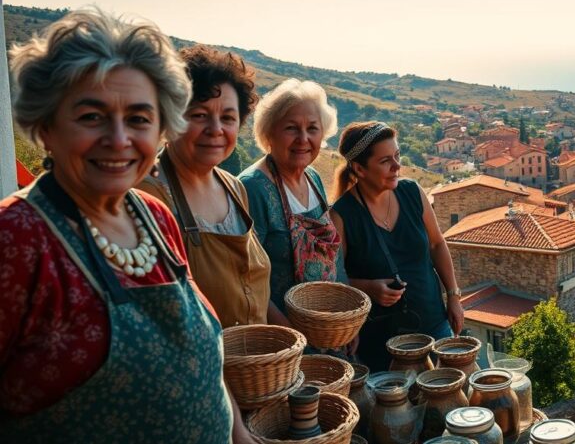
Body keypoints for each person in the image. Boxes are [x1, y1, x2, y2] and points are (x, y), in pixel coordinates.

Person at [0, 11, 238, 441]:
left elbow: (204, 359)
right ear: (46, 126)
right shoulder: (15, 239)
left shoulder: (155, 217)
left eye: (139, 119)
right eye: (92, 116)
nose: (118, 139)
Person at [136, 44, 274, 328]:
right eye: (199, 114)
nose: (216, 129)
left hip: (258, 356)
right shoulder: (148, 196)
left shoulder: (234, 188)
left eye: (228, 118)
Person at [329, 121, 465, 371]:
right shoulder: (341, 216)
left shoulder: (412, 192)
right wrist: (368, 288)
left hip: (434, 322)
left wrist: (454, 297)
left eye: (397, 156)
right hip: (382, 340)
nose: (397, 166)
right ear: (359, 168)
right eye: (385, 161)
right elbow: (335, 280)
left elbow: (437, 244)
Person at [239, 79, 342, 316]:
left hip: (324, 323)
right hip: (281, 329)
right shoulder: (253, 188)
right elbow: (246, 278)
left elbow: (333, 259)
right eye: (291, 128)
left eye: (312, 128)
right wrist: (290, 330)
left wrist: (341, 318)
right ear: (269, 133)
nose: (303, 139)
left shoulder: (313, 178)